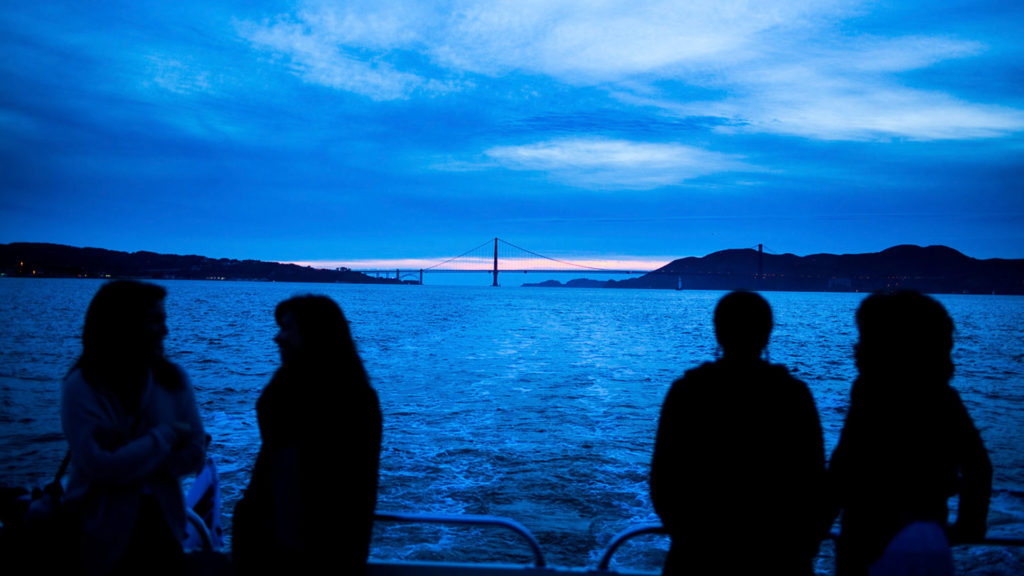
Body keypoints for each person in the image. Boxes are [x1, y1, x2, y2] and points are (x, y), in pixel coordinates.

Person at [650, 290, 826, 575]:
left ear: (718, 332)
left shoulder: (688, 392)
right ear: (767, 333)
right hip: (779, 557)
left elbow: (663, 479)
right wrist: (799, 545)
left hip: (697, 554)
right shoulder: (793, 395)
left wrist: (688, 533)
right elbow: (814, 481)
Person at [827, 291, 992, 576]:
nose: (856, 347)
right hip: (930, 535)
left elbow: (844, 469)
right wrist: (970, 526)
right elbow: (979, 467)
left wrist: (814, 527)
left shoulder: (871, 395)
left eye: (864, 338)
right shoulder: (943, 397)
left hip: (873, 541)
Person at [61, 280, 206, 576]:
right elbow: (98, 465)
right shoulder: (82, 386)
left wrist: (126, 450)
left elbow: (195, 454)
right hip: (97, 535)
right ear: (124, 323)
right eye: (155, 320)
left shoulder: (174, 379)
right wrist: (166, 436)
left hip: (164, 530)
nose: (165, 331)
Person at [233, 295, 382, 575]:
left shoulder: (299, 391)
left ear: (315, 332)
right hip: (328, 547)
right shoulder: (357, 394)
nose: (277, 338)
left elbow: (295, 474)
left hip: (293, 550)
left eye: (287, 328)